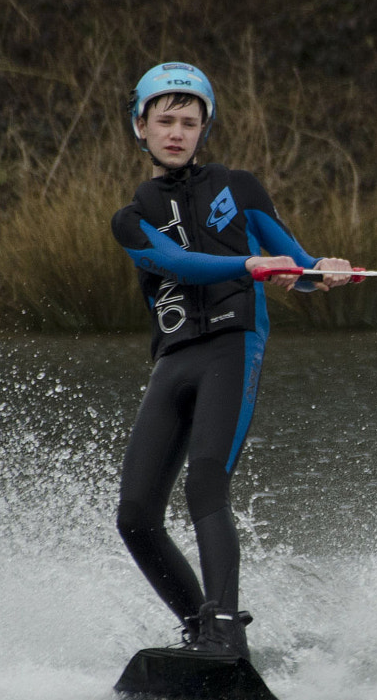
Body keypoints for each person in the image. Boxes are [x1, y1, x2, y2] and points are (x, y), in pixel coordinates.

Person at [111, 62, 355, 663]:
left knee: (205, 485)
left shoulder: (240, 189)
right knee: (136, 515)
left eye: (189, 122)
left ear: (204, 128)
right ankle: (199, 628)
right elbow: (181, 264)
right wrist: (248, 267)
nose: (176, 132)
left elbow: (294, 264)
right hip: (173, 361)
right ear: (139, 126)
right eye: (164, 120)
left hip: (231, 347)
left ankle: (226, 632)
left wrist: (322, 273)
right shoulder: (131, 219)